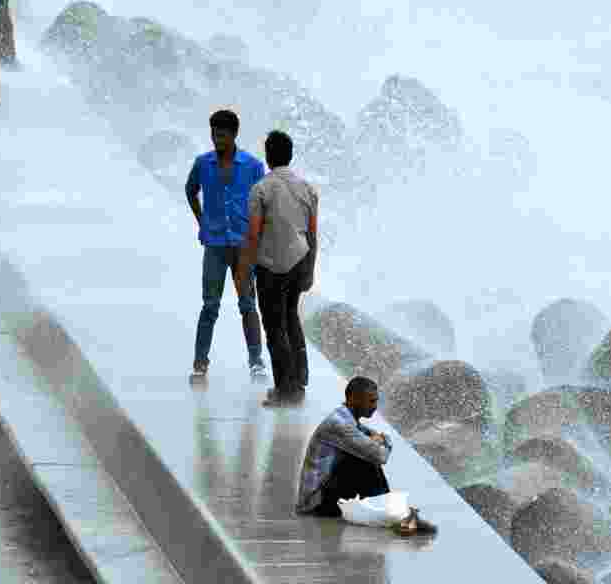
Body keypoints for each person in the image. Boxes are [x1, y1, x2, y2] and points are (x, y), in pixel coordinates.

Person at [236, 130, 318, 406]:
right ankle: (300, 379)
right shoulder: (307, 189)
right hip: (299, 261)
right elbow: (312, 233)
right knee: (291, 316)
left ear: (269, 157)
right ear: (290, 155)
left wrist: (245, 269)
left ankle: (286, 390)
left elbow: (253, 235)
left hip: (270, 266)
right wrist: (310, 269)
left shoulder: (261, 189)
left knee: (274, 325)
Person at [185, 110, 268, 380]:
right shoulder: (202, 163)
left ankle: (256, 362)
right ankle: (200, 363)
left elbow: (263, 203)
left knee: (247, 304)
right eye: (213, 134)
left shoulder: (253, 166)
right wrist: (202, 221)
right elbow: (190, 190)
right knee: (210, 305)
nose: (216, 139)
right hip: (215, 246)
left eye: (221, 135)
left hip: (243, 247)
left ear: (234, 135)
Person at [296, 377, 436, 534]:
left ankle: (394, 512)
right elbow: (381, 456)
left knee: (364, 456)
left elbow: (375, 439)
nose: (374, 407)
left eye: (375, 401)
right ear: (353, 399)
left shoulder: (347, 418)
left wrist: (380, 439)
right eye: (371, 401)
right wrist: (384, 441)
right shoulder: (340, 424)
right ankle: (394, 514)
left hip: (326, 493)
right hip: (316, 502)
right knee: (364, 462)